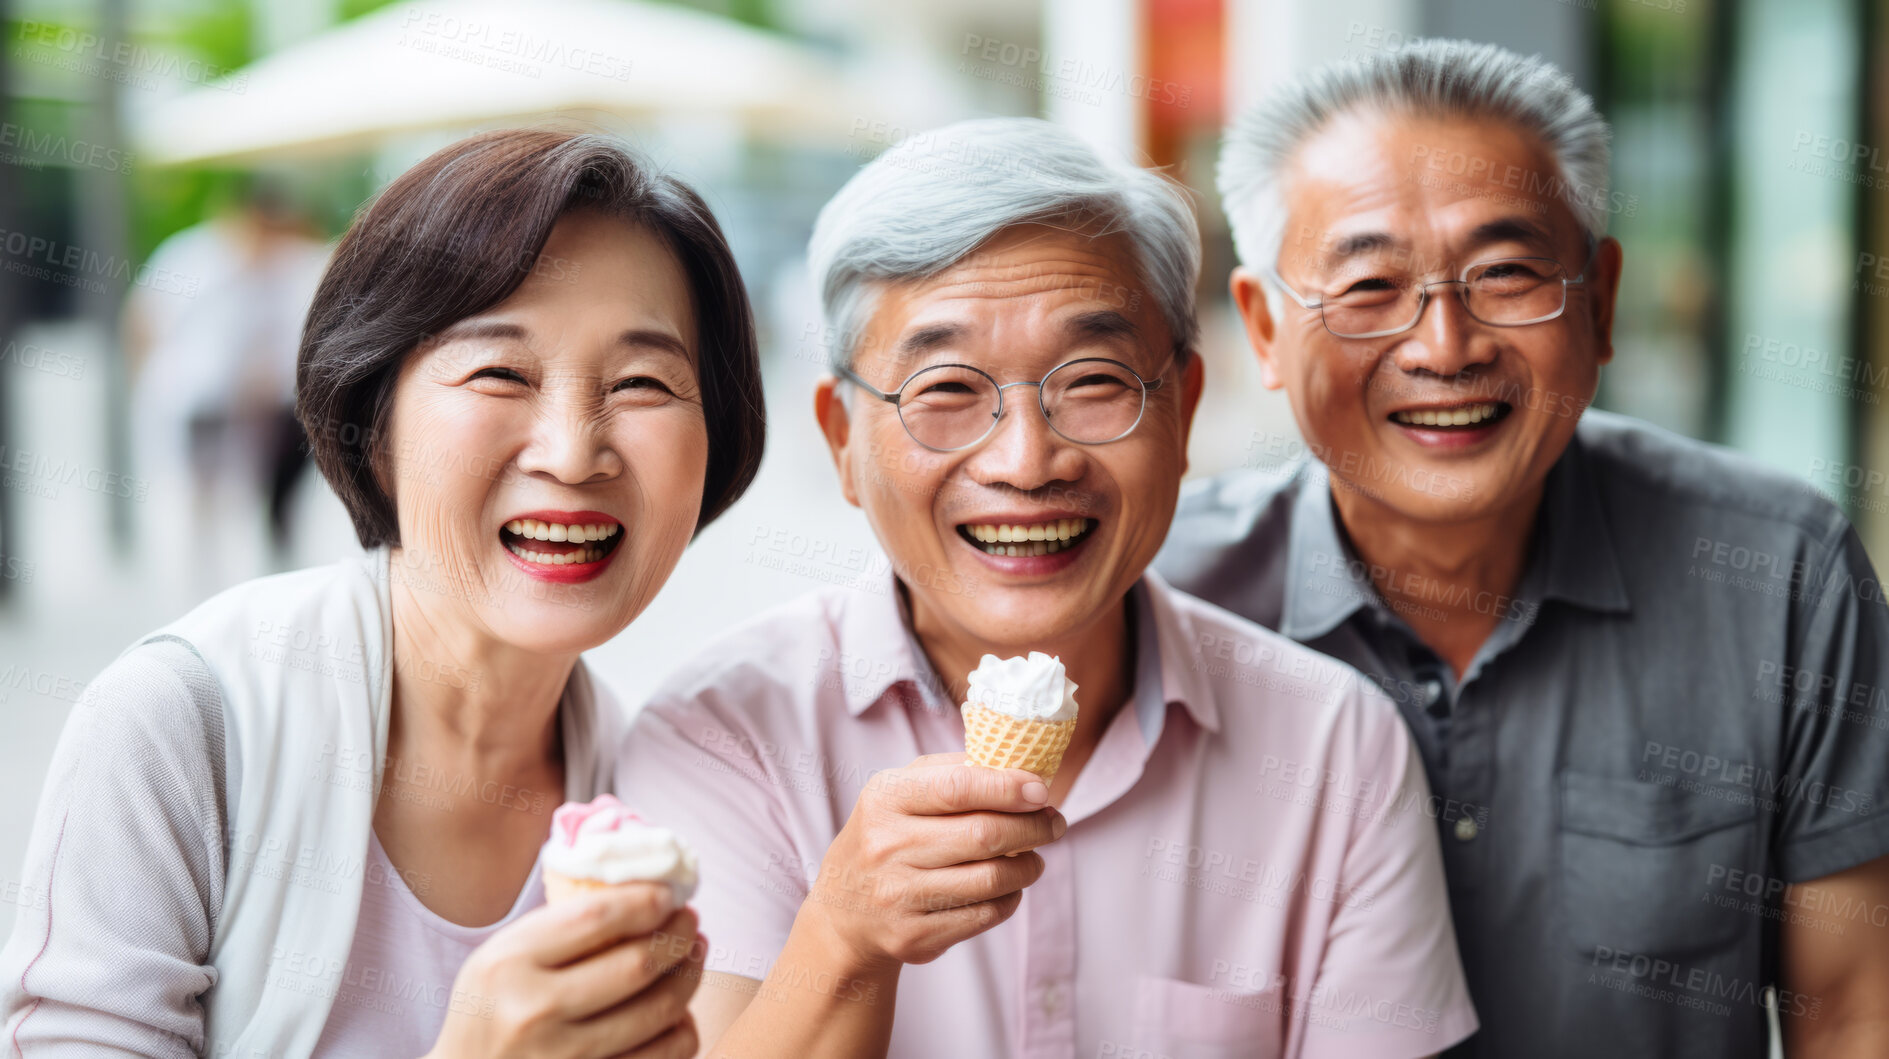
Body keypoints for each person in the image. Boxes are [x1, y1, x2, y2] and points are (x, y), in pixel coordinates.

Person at [617, 117, 1476, 1058]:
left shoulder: (1335, 752)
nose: (1026, 463)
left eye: (1093, 379)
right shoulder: (720, 738)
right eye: (944, 389)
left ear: (1183, 410)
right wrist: (844, 939)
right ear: (841, 442)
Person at [1155, 39, 1889, 1059]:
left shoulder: (1779, 575)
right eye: (1368, 286)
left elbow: (1853, 1015)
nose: (1443, 348)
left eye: (1503, 273)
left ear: (1598, 304)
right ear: (1265, 330)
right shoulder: (1156, 605)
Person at [0, 128, 766, 1058]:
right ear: (375, 424)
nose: (571, 451)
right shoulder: (186, 722)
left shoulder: (664, 795)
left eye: (643, 382)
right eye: (500, 372)